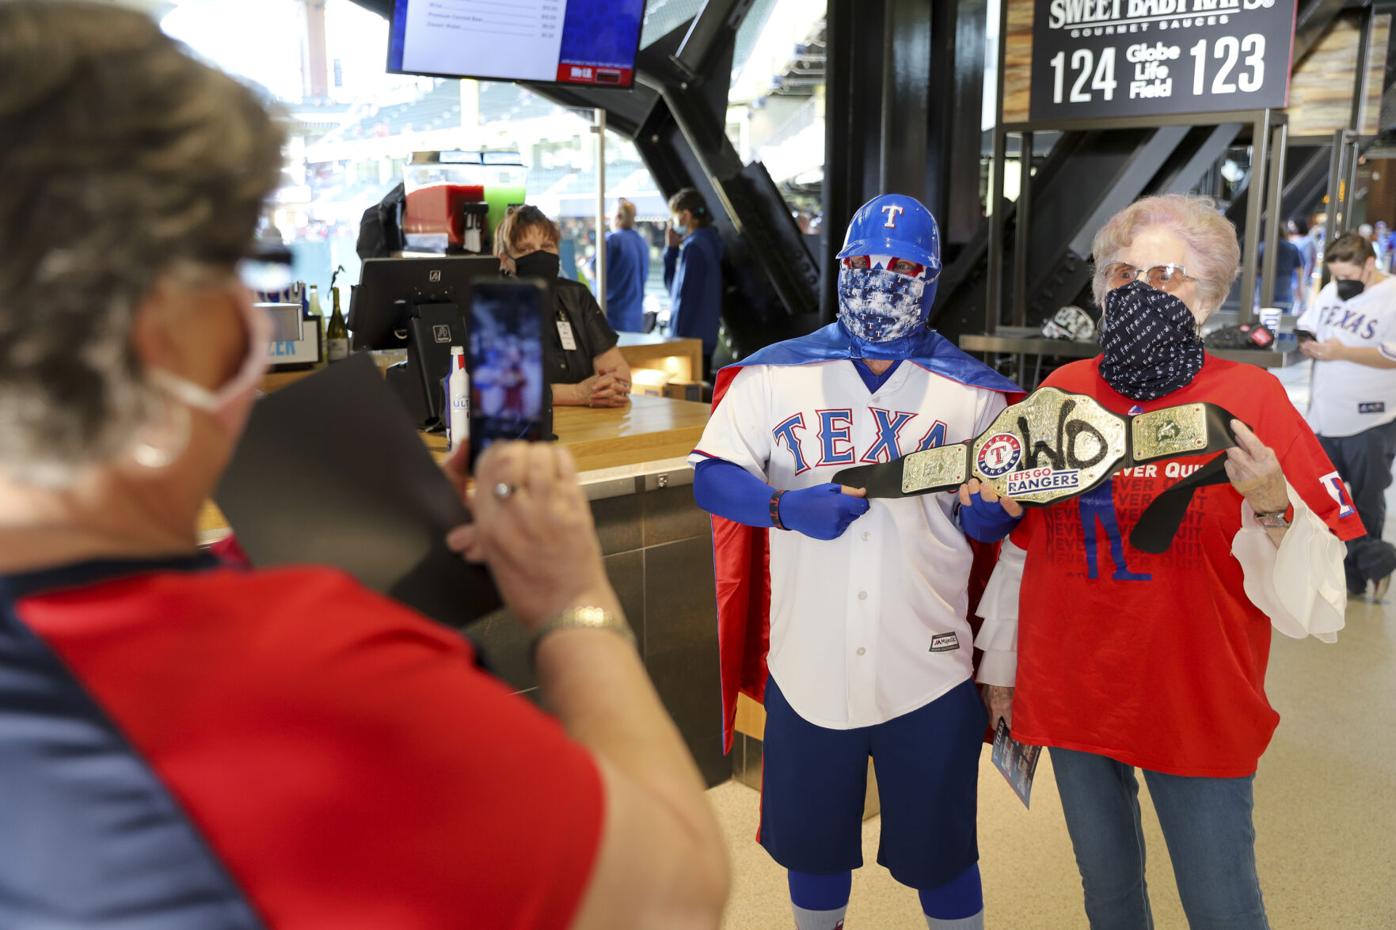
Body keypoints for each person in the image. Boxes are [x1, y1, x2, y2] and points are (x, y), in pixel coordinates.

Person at [0, 5, 729, 928]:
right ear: (161, 329)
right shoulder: (320, 678)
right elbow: (673, 891)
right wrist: (570, 594)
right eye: (235, 262)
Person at [975, 194, 1362, 930]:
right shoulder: (1062, 394)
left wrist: (1274, 503)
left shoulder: (1248, 398)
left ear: (1209, 295)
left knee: (1221, 904)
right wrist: (1002, 669)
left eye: (1168, 275)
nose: (1142, 289)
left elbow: (1319, 580)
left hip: (1196, 689)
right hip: (1074, 683)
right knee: (1108, 892)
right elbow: (1022, 548)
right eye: (1124, 272)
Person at [690, 194, 1023, 930]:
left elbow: (990, 517)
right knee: (813, 854)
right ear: (838, 268)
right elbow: (711, 474)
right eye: (863, 263)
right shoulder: (775, 376)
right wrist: (784, 507)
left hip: (930, 665)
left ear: (931, 278)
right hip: (809, 665)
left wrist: (992, 509)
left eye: (902, 266)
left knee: (945, 858)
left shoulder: (972, 391)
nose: (881, 279)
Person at [1297, 231, 1396, 597]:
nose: (1342, 284)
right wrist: (1308, 342)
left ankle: (1359, 577)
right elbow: (1311, 323)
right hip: (1324, 414)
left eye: (1348, 276)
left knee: (1367, 502)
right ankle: (1373, 560)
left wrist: (1342, 353)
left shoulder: (1392, 296)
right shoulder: (1331, 290)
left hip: (1370, 420)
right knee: (1322, 499)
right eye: (1337, 276)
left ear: (1370, 264)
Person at [495, 204, 632, 407]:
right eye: (526, 249)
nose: (539, 255)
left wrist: (611, 387)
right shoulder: (493, 306)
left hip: (590, 427)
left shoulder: (576, 296)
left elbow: (619, 373)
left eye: (547, 246)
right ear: (505, 260)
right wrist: (577, 394)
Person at [665, 188, 724, 378]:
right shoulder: (710, 243)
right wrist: (672, 251)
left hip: (689, 342)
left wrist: (677, 341)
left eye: (675, 217)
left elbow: (685, 298)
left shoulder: (694, 248)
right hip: (705, 338)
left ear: (686, 216)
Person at [601, 197, 650, 333]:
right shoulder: (641, 242)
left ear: (618, 216)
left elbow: (595, 270)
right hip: (635, 321)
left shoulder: (612, 240)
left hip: (613, 319)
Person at [1287, 217, 1317, 313]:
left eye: (1293, 225)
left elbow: (1309, 261)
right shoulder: (1291, 240)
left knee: (1300, 305)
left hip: (1302, 276)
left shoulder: (1308, 241)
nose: (1291, 227)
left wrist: (1305, 278)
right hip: (1290, 277)